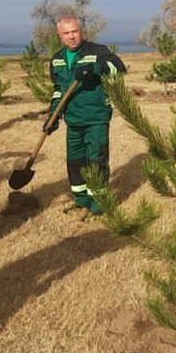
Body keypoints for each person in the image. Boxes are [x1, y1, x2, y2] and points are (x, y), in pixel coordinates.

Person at [43, 15, 126, 215]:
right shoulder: (57, 60)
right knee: (75, 161)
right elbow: (59, 91)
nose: (71, 37)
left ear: (81, 31)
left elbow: (119, 68)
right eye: (66, 33)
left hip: (96, 118)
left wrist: (95, 68)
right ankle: (81, 200)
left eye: (75, 31)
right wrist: (53, 116)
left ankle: (98, 204)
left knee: (96, 160)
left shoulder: (97, 51)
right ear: (59, 35)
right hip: (74, 121)